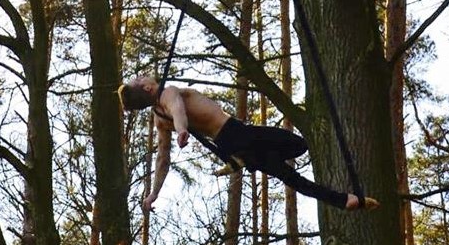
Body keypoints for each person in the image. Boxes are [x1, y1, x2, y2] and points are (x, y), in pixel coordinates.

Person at [118, 76, 379, 212]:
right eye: (139, 80)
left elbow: (163, 158)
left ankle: (345, 201)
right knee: (297, 145)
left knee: (288, 175)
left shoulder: (158, 119)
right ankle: (246, 160)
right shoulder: (168, 93)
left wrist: (154, 193)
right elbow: (178, 111)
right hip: (234, 133)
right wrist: (183, 130)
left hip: (228, 144)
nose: (143, 76)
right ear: (149, 89)